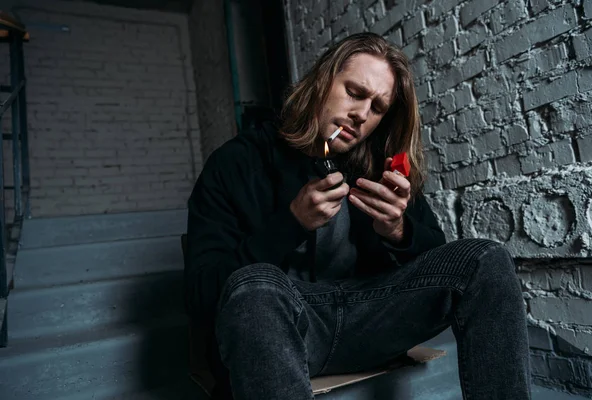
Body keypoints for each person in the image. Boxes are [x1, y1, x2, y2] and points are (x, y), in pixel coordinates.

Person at [185, 32, 531, 400]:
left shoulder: (377, 164)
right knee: (255, 287)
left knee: (485, 260)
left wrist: (397, 230)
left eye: (378, 107)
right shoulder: (238, 161)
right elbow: (203, 294)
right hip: (284, 330)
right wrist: (291, 223)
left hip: (369, 319)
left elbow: (438, 266)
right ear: (321, 81)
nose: (362, 115)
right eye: (354, 92)